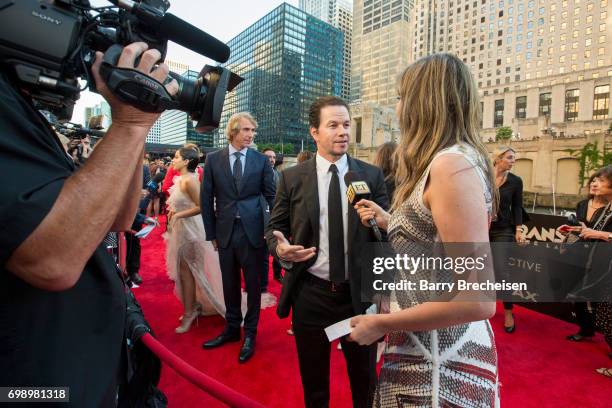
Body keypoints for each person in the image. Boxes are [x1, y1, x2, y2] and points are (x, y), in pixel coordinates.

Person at [0, 42, 178, 406]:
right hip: (28, 388)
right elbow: (53, 261)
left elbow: (120, 217)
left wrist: (135, 126)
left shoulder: (25, 117)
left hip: (81, 363)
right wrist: (131, 122)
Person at [350, 53, 499, 407]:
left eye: (401, 97)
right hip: (423, 348)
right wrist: (392, 221)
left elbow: (478, 298)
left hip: (439, 363)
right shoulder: (453, 160)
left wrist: (381, 325)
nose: (397, 108)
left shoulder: (450, 166)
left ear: (422, 102)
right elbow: (435, 238)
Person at [266, 96, 388, 407]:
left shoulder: (371, 176)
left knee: (365, 383)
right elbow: (273, 228)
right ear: (314, 132)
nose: (343, 131)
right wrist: (280, 249)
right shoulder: (292, 177)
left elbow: (386, 239)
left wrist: (378, 224)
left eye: (346, 125)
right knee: (315, 385)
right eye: (332, 125)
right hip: (311, 295)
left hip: (358, 297)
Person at [201, 112, 276, 363]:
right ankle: (232, 329)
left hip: (253, 232)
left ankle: (250, 333)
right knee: (229, 284)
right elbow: (206, 199)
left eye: (253, 131)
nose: (251, 135)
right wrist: (211, 233)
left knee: (253, 286)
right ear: (232, 131)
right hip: (224, 232)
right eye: (246, 130)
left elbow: (272, 198)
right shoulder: (213, 160)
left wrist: (272, 229)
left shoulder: (260, 160)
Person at [165, 147, 225, 334]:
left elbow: (202, 206)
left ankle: (190, 311)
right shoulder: (181, 180)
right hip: (182, 230)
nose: (172, 160)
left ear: (185, 161)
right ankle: (192, 307)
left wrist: (178, 215)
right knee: (185, 272)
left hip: (191, 232)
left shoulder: (189, 181)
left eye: (176, 157)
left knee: (189, 272)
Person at [561, 172, 608, 342]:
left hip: (602, 256)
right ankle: (585, 329)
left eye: (600, 181)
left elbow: (598, 232)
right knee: (576, 292)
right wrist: (569, 231)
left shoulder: (608, 208)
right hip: (580, 252)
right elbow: (581, 228)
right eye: (593, 181)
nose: (594, 184)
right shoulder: (582, 204)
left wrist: (595, 233)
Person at [489, 146, 525, 333]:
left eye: (514, 158)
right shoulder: (485, 177)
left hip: (504, 229)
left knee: (502, 271)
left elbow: (518, 207)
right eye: (510, 157)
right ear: (498, 158)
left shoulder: (515, 181)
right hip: (483, 228)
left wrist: (518, 229)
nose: (513, 161)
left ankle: (509, 312)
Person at [261, 147, 283, 288]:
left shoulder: (280, 175)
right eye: (268, 157)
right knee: (262, 251)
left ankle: (277, 273)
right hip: (262, 215)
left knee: (279, 246)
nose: (271, 159)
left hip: (277, 215)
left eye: (274, 157)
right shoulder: (256, 175)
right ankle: (261, 281)